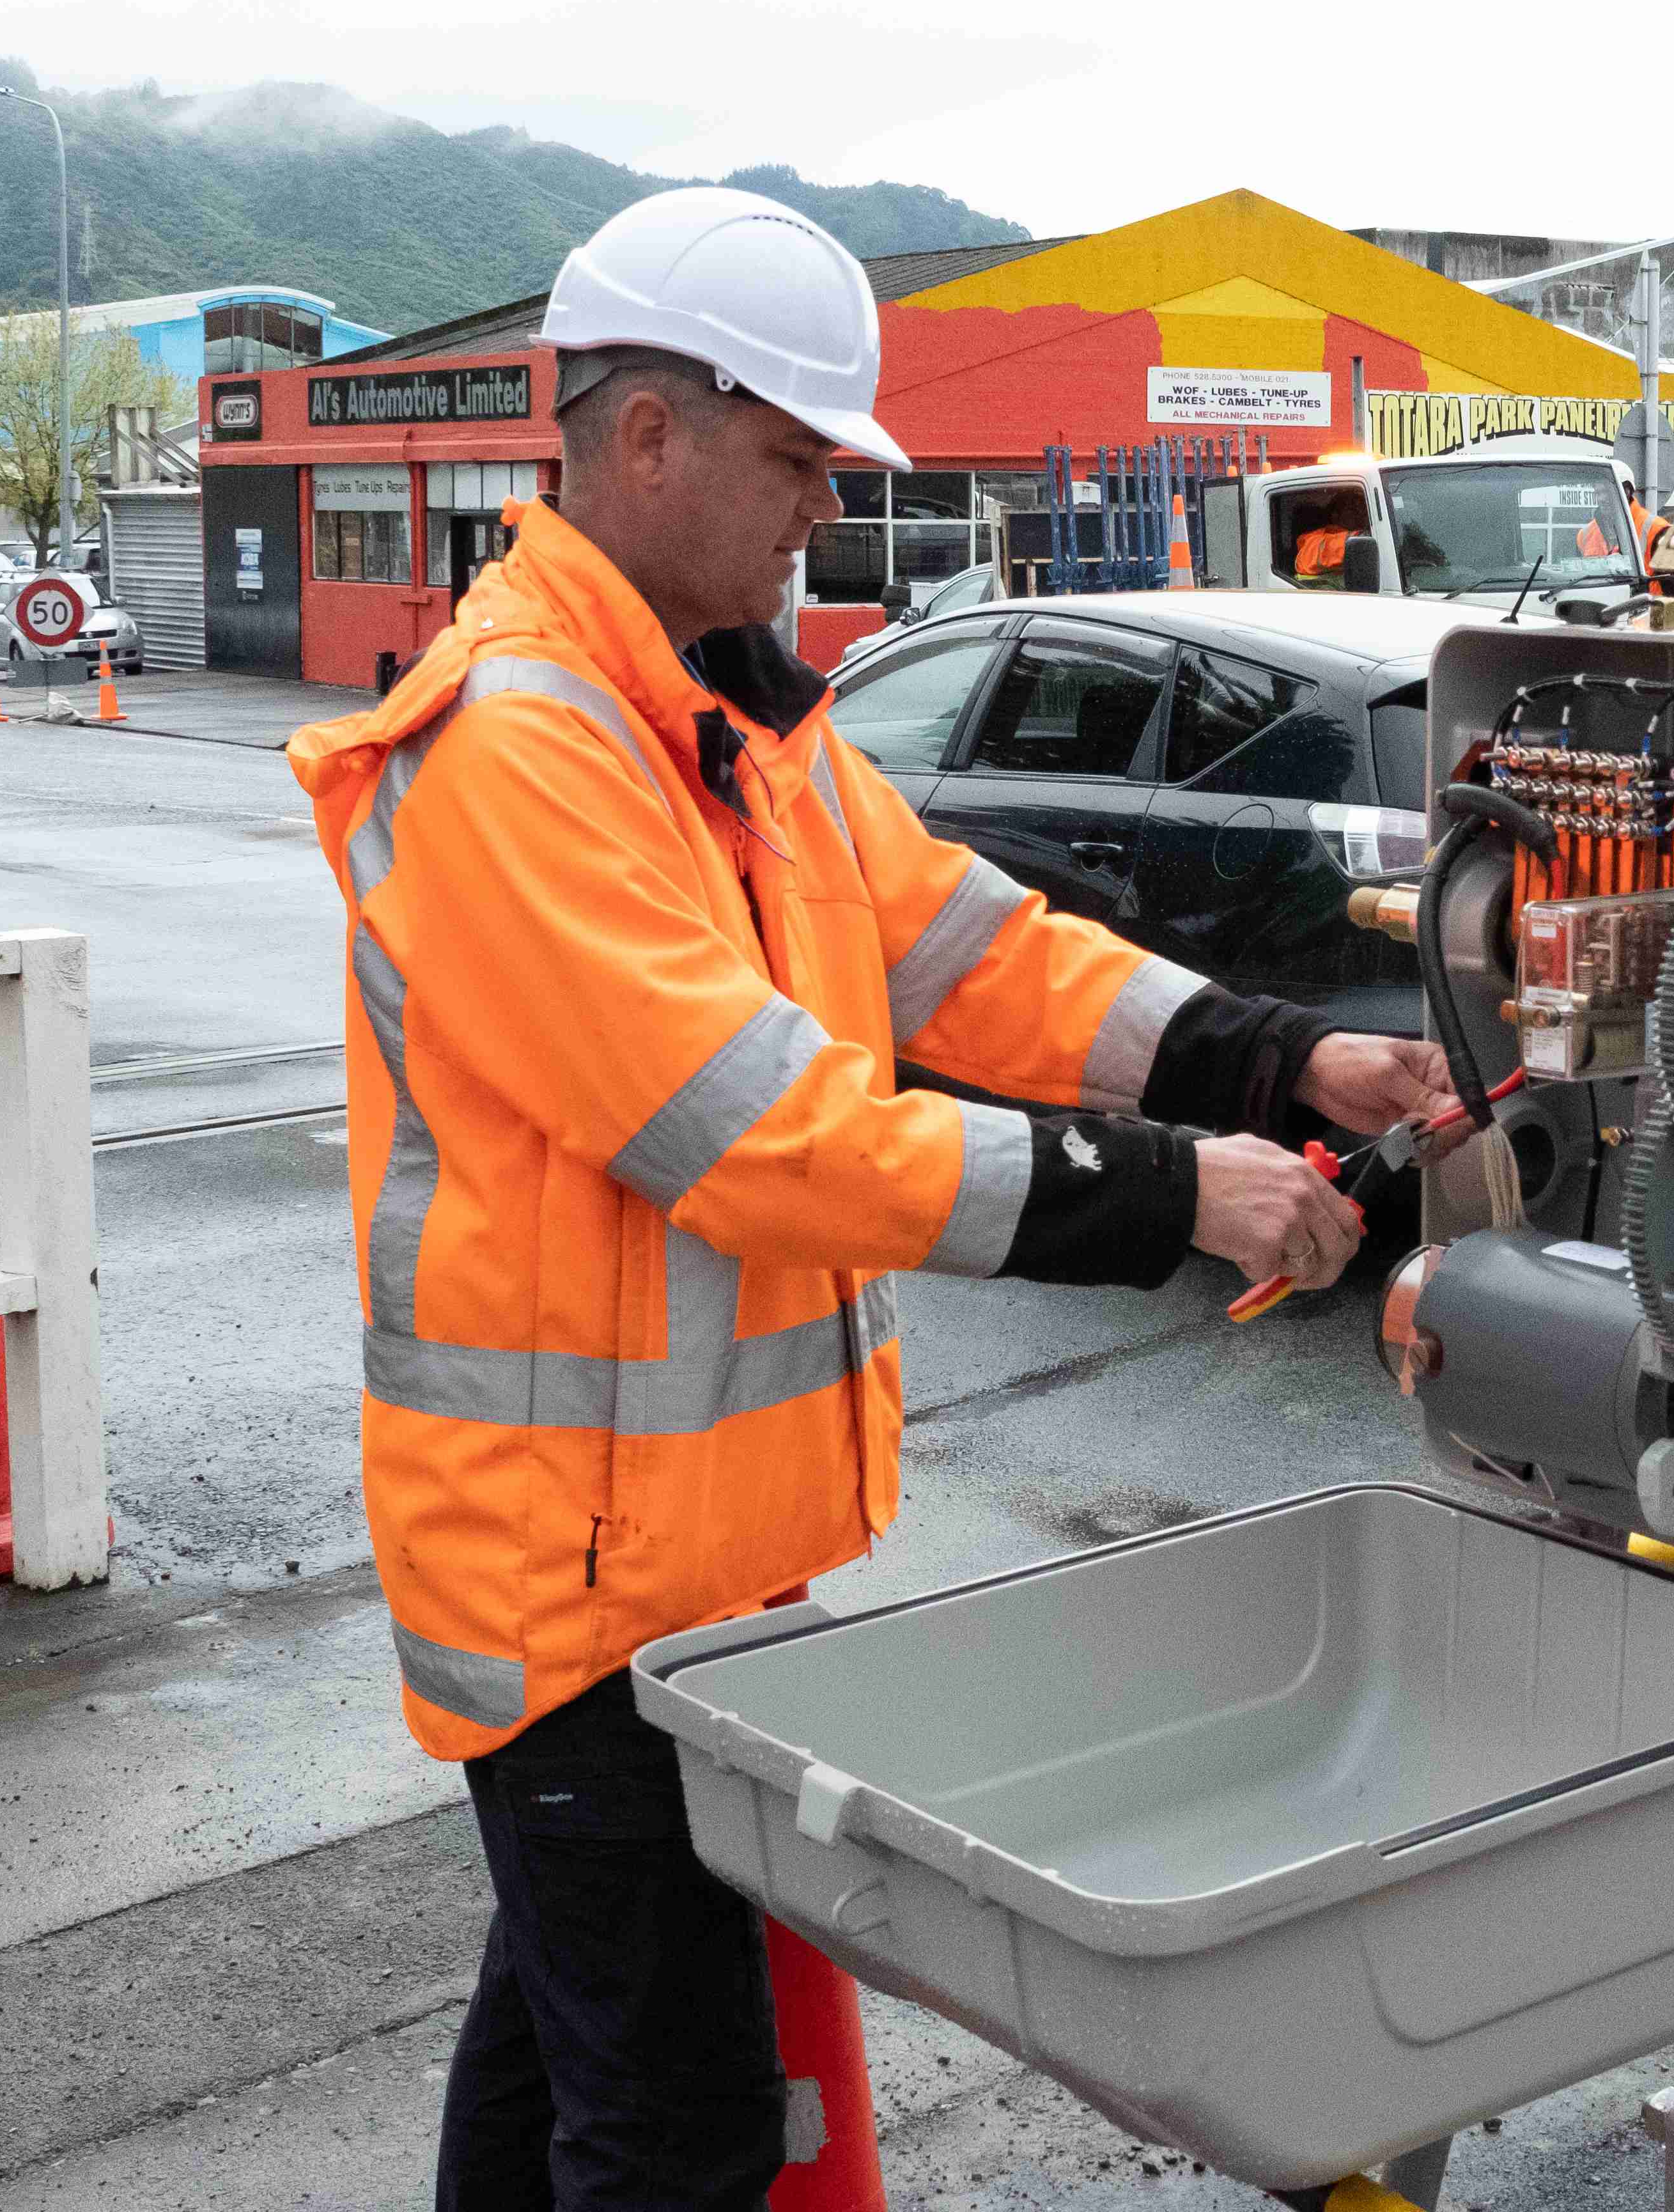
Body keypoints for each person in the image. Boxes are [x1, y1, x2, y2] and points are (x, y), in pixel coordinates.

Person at [288, 186, 1451, 2211]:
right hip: (567, 1584)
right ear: (648, 437)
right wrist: (1196, 1195)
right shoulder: (517, 754)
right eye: (799, 460)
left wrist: (1286, 1055)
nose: (823, 511)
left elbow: (980, 955)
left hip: (683, 1563)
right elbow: (775, 1140)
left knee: (563, 2057)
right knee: (678, 2128)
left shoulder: (735, 727)